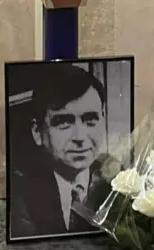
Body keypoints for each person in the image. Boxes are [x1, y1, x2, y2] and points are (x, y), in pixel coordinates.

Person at [10, 63, 119, 240]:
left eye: (90, 120)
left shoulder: (118, 179)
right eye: (63, 123)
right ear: (37, 132)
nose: (80, 137)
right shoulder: (19, 196)